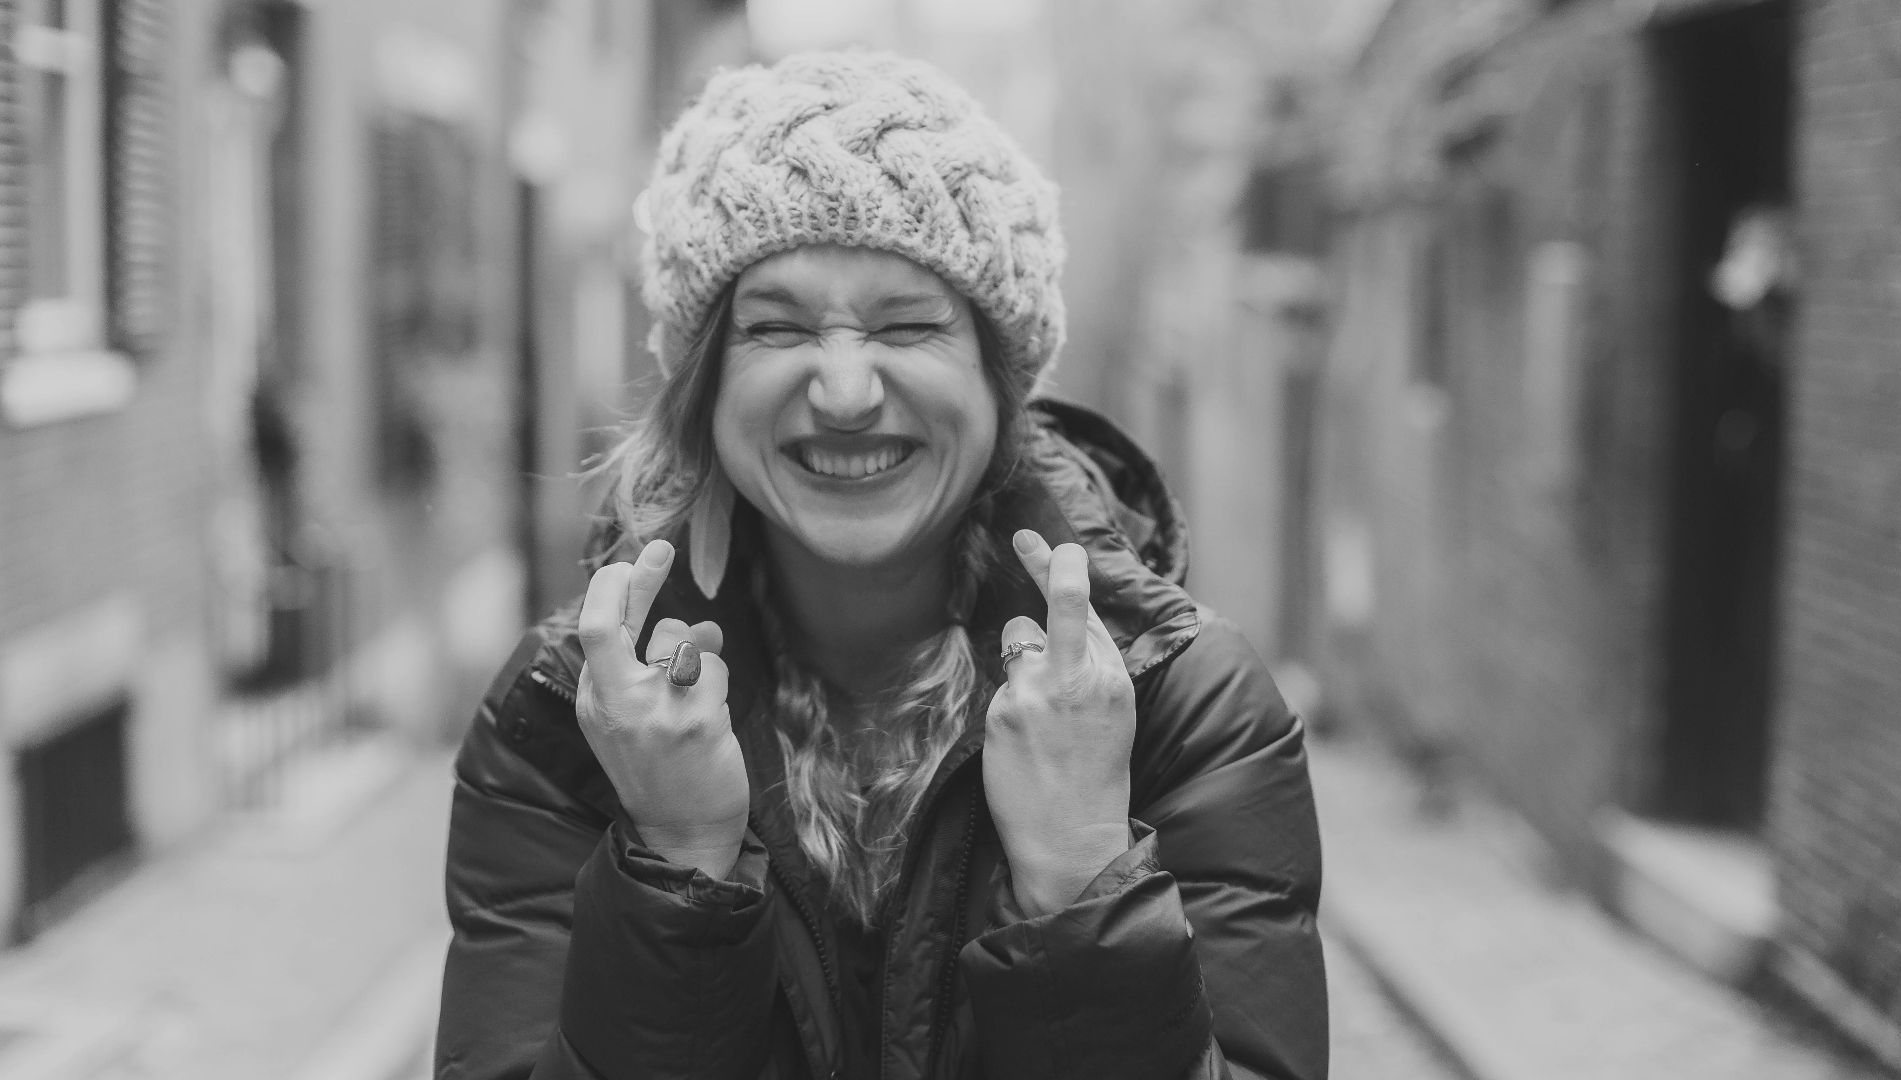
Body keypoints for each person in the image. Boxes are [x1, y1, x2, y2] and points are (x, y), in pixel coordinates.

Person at [436, 50, 1327, 1080]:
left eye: (909, 325)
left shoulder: (1186, 709)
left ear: (1002, 383)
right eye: (777, 326)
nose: (848, 390)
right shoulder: (561, 722)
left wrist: (1085, 876)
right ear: (704, 385)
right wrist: (675, 865)